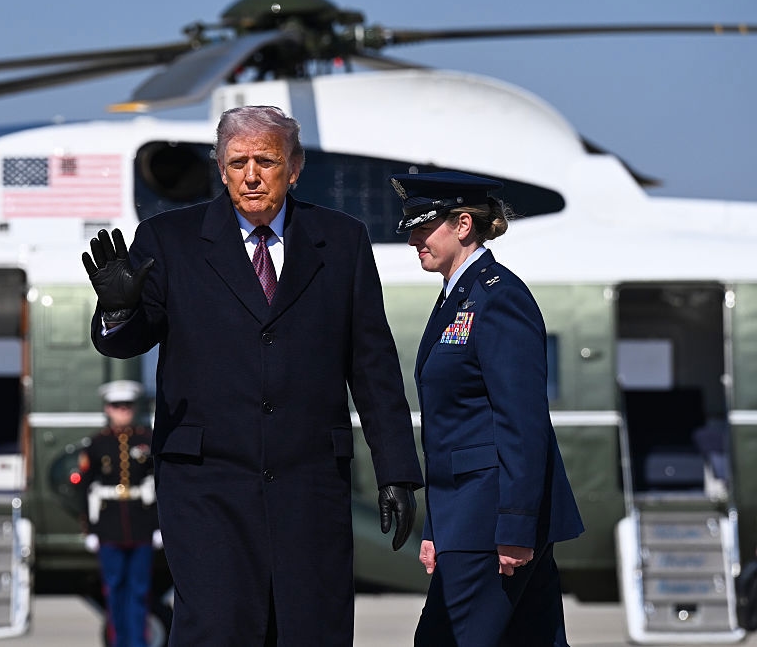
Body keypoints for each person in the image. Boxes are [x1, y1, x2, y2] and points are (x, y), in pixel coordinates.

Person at [81, 105, 424, 645]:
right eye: (237, 161)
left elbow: (373, 365)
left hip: (310, 483)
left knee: (312, 629)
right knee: (218, 630)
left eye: (266, 159)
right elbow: (124, 342)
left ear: (295, 166)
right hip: (205, 487)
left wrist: (397, 471)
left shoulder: (342, 240)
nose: (251, 174)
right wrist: (119, 310)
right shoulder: (168, 240)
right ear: (220, 169)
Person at [389, 171, 585, 646]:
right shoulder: (458, 296)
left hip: (492, 520)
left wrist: (515, 526)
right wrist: (437, 529)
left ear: (462, 225)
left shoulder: (499, 298)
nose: (414, 237)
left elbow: (522, 422)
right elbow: (452, 431)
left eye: (425, 225)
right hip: (469, 517)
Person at [76, 380, 162, 647]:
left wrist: (160, 525)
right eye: (116, 406)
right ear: (107, 409)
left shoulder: (146, 440)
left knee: (139, 592)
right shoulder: (96, 444)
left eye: (126, 406)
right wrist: (90, 530)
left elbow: (160, 483)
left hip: (141, 524)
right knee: (114, 591)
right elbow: (84, 487)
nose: (122, 411)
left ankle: (138, 643)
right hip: (109, 526)